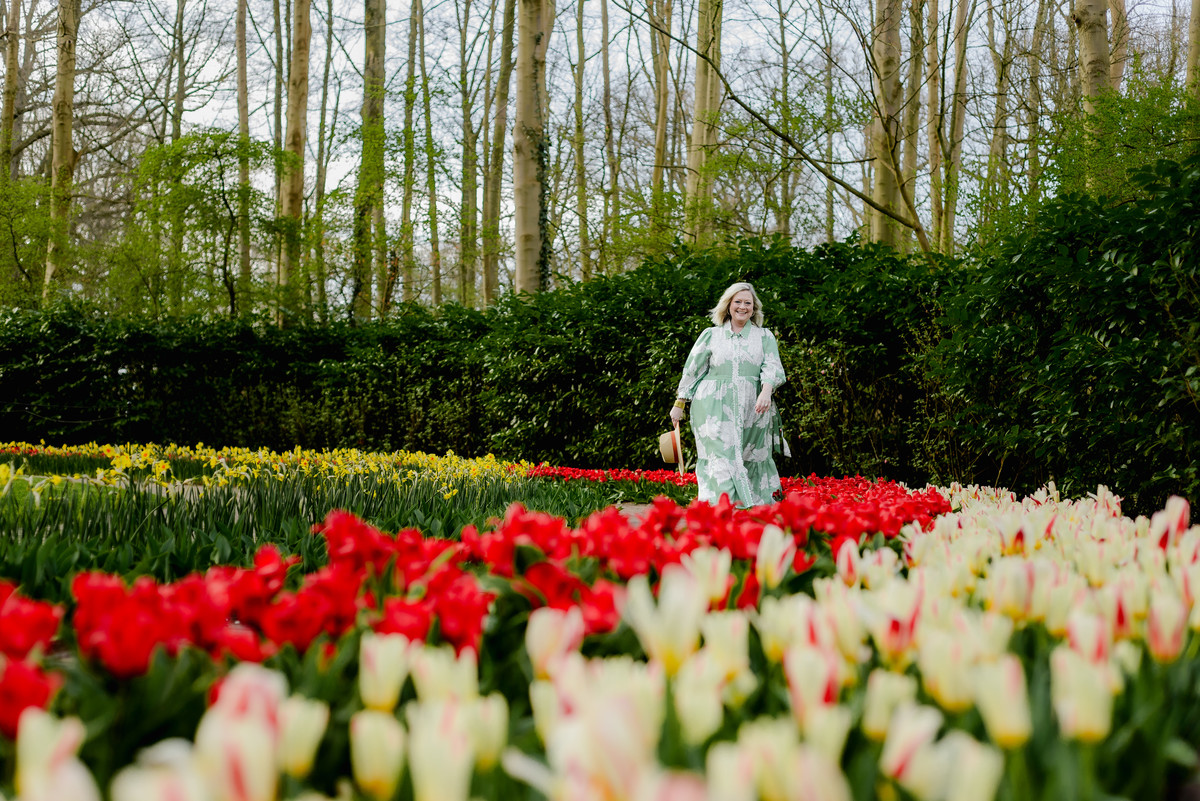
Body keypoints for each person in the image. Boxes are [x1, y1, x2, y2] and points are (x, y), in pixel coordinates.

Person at [669, 281, 790, 507]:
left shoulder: (764, 336)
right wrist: (680, 403)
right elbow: (693, 370)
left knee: (752, 454)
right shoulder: (711, 335)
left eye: (748, 303)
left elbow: (773, 367)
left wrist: (766, 391)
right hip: (712, 408)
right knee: (719, 456)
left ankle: (755, 504)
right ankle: (720, 506)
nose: (742, 307)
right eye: (738, 302)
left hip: (755, 406)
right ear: (728, 305)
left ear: (754, 308)